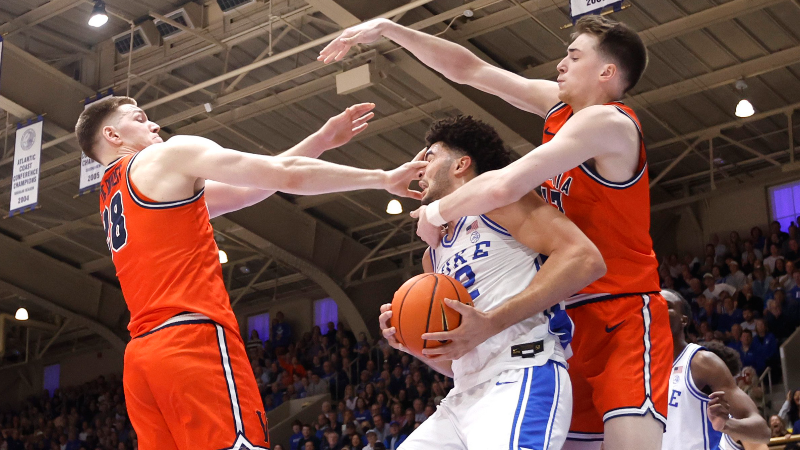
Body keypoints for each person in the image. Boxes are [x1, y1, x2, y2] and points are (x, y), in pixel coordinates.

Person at [321, 14, 668, 450]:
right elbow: (470, 69)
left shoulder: (610, 122)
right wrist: (391, 29)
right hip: (560, 311)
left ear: (606, 72)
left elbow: (504, 184)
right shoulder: (558, 109)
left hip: (620, 309)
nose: (560, 64)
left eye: (574, 56)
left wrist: (436, 212)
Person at [76, 97, 427, 450]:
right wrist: (382, 177)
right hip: (191, 339)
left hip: (142, 359)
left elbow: (247, 190)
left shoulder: (112, 197)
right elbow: (286, 174)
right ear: (113, 135)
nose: (154, 125)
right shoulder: (167, 155)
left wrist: (320, 140)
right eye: (140, 119)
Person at [377, 116, 606, 449]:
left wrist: (491, 322)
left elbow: (585, 259)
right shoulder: (433, 253)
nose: (419, 170)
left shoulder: (502, 203)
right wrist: (410, 342)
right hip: (463, 393)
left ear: (461, 164)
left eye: (429, 157)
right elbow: (456, 360)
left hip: (521, 371)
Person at [661, 289, 770, 450]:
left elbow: (762, 432)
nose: (657, 309)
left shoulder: (701, 362)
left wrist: (727, 424)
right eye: (653, 305)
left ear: (684, 319)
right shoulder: (642, 370)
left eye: (666, 306)